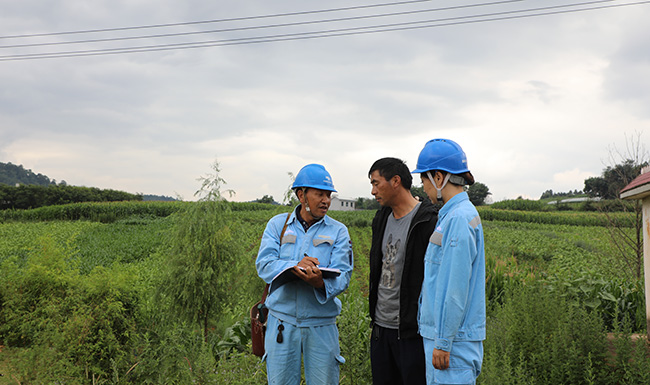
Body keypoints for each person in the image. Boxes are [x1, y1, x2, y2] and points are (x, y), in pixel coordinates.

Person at [256, 163, 353, 385]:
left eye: (328, 195)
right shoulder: (278, 225)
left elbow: (343, 275)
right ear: (301, 195)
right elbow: (264, 264)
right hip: (282, 323)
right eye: (319, 194)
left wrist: (320, 283)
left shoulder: (338, 231)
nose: (326, 200)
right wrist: (295, 266)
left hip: (321, 325)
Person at [412, 139, 486, 385]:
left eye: (424, 181)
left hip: (451, 346)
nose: (424, 189)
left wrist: (443, 341)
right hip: (447, 340)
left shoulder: (457, 219)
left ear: (439, 177)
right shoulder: (453, 215)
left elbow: (455, 287)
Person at [368, 157, 439, 385]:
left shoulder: (428, 220)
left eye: (376, 183)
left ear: (396, 181)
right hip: (380, 329)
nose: (373, 191)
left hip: (412, 332)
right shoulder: (381, 218)